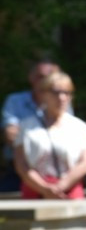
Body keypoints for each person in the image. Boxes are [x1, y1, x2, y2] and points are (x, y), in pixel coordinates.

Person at [13, 71, 86, 199]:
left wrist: (61, 186)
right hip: (35, 190)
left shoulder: (79, 127)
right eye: (56, 92)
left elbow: (85, 163)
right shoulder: (26, 126)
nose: (62, 98)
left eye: (66, 93)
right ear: (43, 95)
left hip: (69, 191)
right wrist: (44, 188)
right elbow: (21, 164)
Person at [1, 60, 63, 192]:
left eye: (50, 76)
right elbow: (11, 136)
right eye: (40, 76)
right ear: (31, 78)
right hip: (18, 172)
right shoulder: (15, 101)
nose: (45, 80)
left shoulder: (63, 101)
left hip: (58, 174)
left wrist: (27, 136)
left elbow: (67, 138)